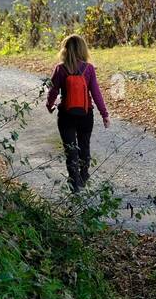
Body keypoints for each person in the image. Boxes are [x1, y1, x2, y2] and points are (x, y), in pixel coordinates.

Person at [45, 34, 109, 191]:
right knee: (84, 146)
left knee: (70, 149)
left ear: (65, 50)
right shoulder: (89, 69)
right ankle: (84, 176)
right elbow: (96, 93)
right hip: (86, 114)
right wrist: (104, 114)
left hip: (66, 115)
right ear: (83, 49)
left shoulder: (60, 69)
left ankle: (74, 181)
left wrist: (50, 105)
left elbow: (53, 91)